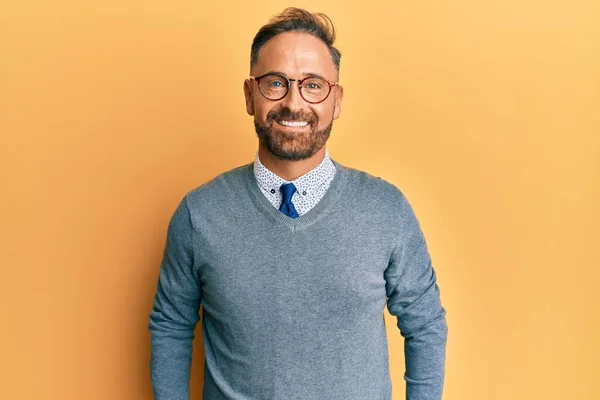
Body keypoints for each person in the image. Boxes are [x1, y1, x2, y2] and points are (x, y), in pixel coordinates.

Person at [148, 7, 448, 400]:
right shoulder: (198, 214)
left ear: (336, 100)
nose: (294, 103)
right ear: (249, 95)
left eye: (313, 85)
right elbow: (170, 325)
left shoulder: (385, 210)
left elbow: (425, 324)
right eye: (276, 83)